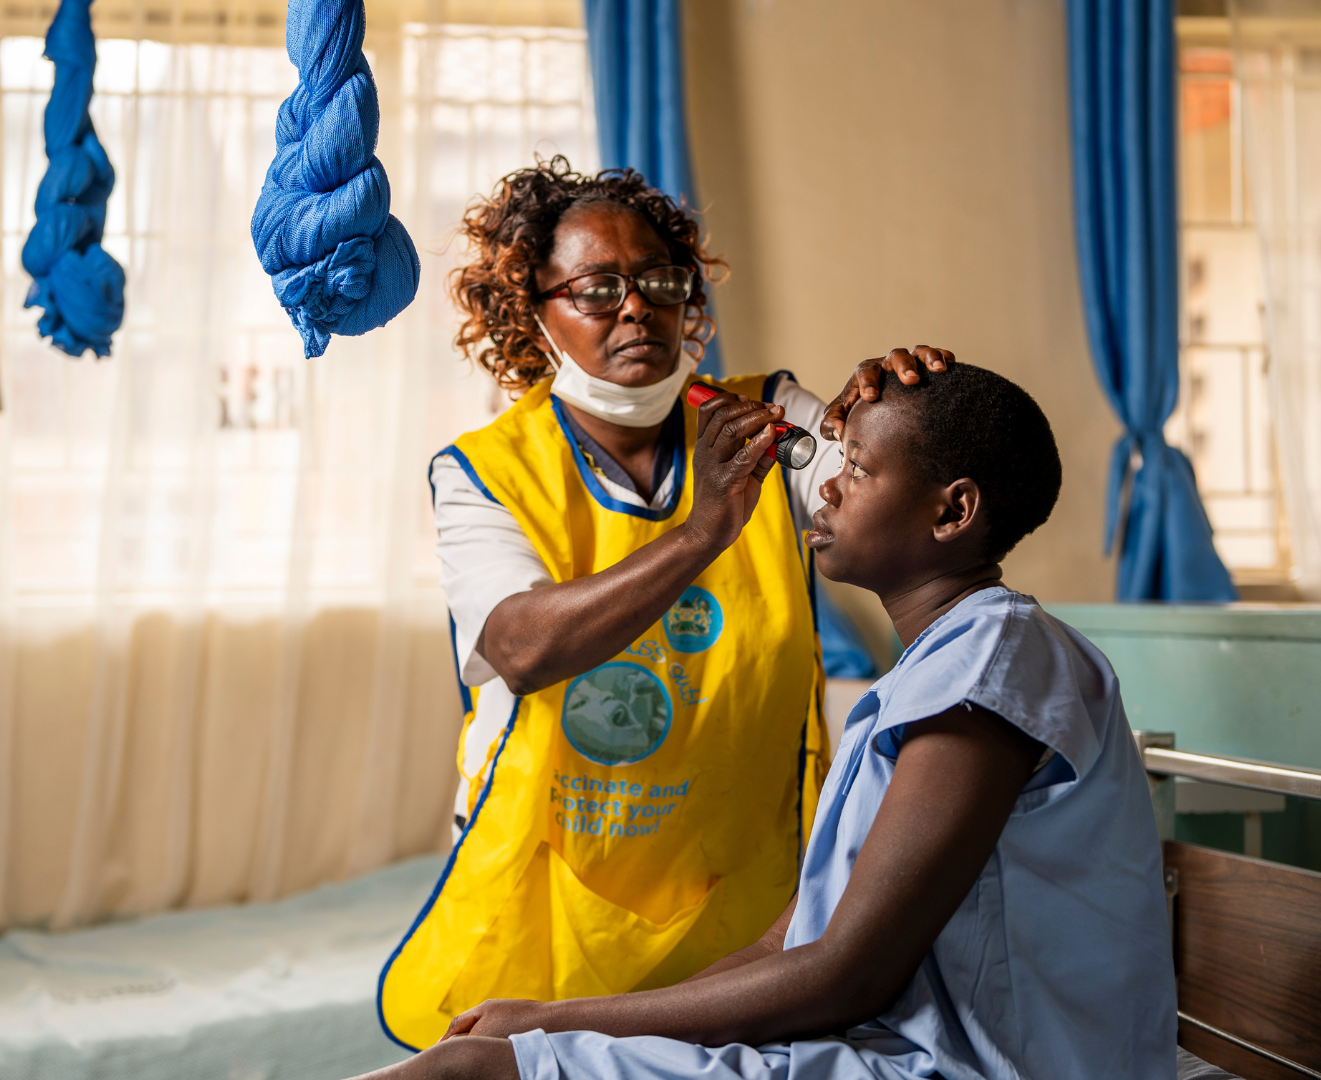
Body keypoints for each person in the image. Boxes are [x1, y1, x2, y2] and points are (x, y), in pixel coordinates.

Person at [368, 359, 1179, 1079]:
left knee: (478, 1069)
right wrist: (577, 1030)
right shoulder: (927, 677)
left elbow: (841, 976)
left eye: (856, 468)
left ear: (952, 512)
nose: (824, 486)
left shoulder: (993, 657)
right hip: (886, 1044)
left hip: (963, 1063)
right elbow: (778, 951)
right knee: (489, 1059)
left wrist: (555, 1021)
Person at [379, 157, 947, 1049]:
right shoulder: (485, 469)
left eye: (658, 280)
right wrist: (701, 532)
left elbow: (893, 503)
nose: (637, 306)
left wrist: (908, 416)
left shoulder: (765, 418)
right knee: (520, 1059)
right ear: (534, 309)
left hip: (737, 859)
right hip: (554, 864)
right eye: (598, 287)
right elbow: (521, 647)